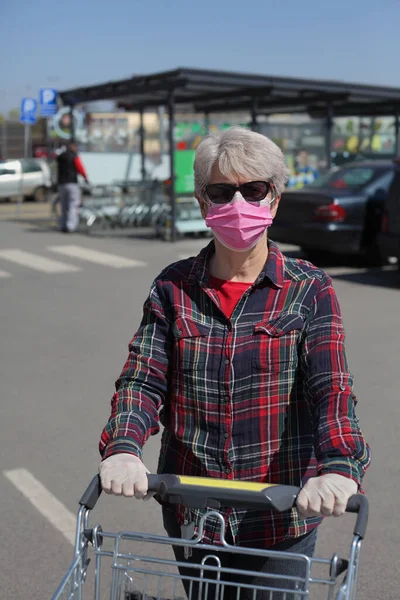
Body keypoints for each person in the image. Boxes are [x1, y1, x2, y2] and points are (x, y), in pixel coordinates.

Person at [99, 127, 370, 599]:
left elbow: (331, 388)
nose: (238, 203)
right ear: (204, 205)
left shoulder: (309, 290)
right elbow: (143, 379)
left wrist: (339, 466)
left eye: (254, 189)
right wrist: (124, 446)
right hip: (193, 510)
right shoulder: (173, 288)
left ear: (274, 201)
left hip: (280, 514)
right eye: (222, 192)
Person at [56, 142, 89, 232]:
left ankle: (63, 224)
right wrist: (85, 178)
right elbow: (80, 168)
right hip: (72, 182)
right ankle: (70, 226)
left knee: (63, 205)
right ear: (73, 147)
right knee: (73, 205)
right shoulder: (74, 156)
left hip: (61, 183)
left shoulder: (61, 156)